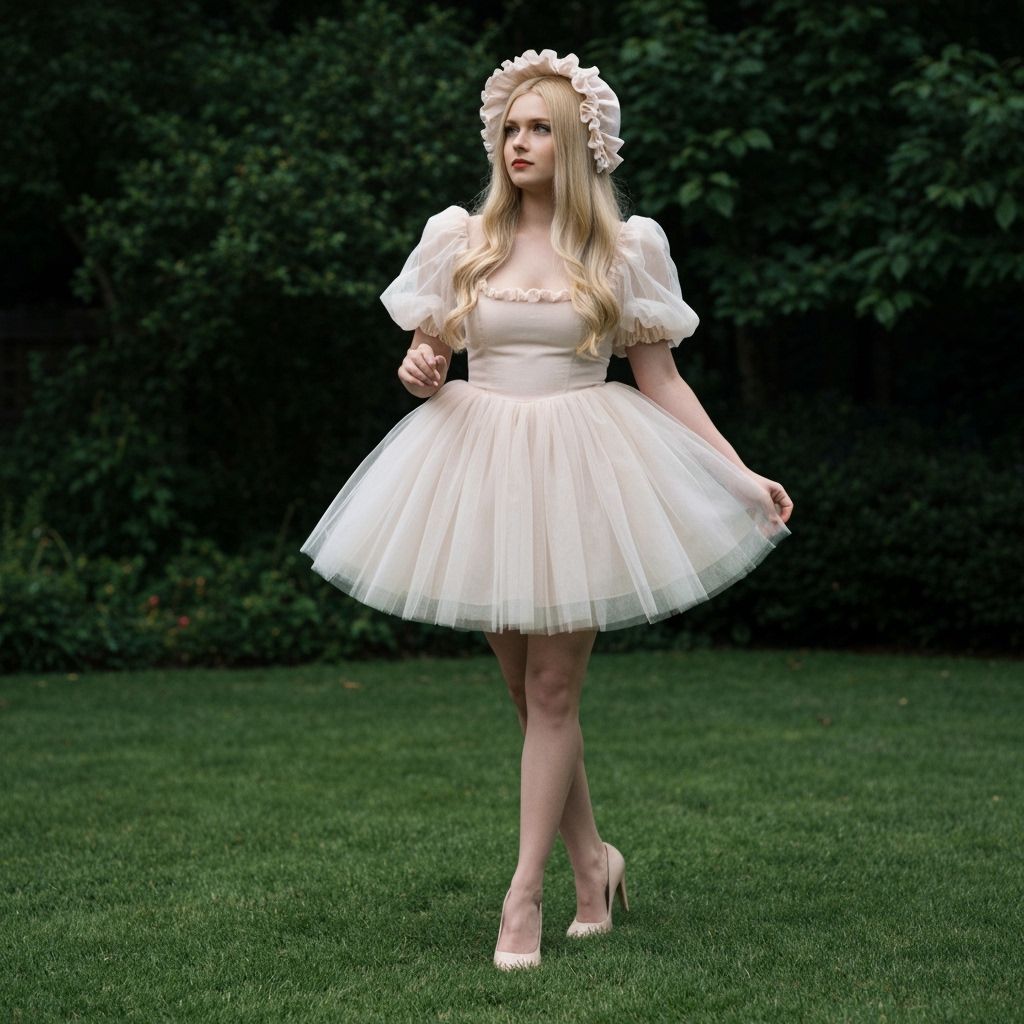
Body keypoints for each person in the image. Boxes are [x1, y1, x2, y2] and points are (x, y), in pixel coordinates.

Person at [300, 48, 794, 971]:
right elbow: (426, 356)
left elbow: (662, 380)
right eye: (510, 127)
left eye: (537, 129)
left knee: (555, 691)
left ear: (575, 144)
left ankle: (523, 897)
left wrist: (737, 473)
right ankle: (594, 863)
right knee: (529, 699)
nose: (517, 142)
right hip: (476, 467)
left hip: (581, 472)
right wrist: (417, 370)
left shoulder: (624, 249)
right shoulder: (461, 239)